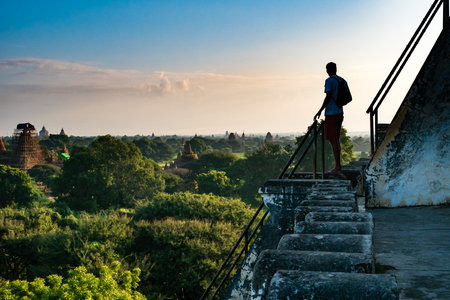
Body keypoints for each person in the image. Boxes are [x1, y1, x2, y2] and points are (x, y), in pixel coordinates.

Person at [314, 62, 348, 174]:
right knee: (336, 140)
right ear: (336, 69)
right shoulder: (342, 80)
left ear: (327, 70)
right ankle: (338, 166)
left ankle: (337, 167)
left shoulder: (329, 81)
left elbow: (328, 96)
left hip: (331, 113)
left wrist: (319, 111)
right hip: (340, 112)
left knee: (333, 141)